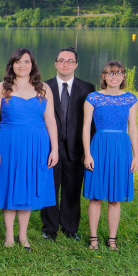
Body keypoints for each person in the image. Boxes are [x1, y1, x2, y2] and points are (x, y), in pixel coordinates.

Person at [0, 48, 58, 251]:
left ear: (32, 64)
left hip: (37, 143)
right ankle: (9, 234)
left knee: (27, 188)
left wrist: (55, 149)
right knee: (10, 187)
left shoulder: (43, 88)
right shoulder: (1, 88)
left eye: (26, 61)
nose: (22, 65)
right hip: (8, 142)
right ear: (12, 65)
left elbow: (50, 120)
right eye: (18, 62)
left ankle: (23, 236)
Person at [41, 47, 96, 242]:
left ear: (76, 64)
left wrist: (88, 149)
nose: (65, 64)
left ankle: (70, 228)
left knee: (72, 189)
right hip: (50, 146)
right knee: (50, 187)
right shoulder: (43, 87)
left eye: (70, 61)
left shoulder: (88, 88)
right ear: (55, 63)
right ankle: (49, 228)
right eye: (62, 60)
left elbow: (92, 123)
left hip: (76, 147)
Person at [82, 61, 138, 251]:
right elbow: (85, 127)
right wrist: (87, 154)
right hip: (99, 146)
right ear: (104, 77)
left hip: (121, 147)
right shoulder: (93, 98)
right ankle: (93, 238)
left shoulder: (130, 99)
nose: (114, 77)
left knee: (115, 198)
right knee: (96, 196)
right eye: (110, 73)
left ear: (123, 77)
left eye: (118, 73)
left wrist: (136, 156)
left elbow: (133, 128)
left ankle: (112, 239)